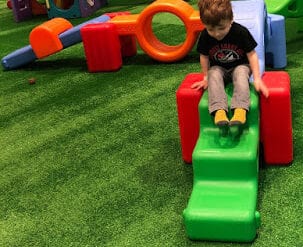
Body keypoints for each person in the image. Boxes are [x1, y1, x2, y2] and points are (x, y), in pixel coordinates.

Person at [191, 0, 269, 126]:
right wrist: (205, 77)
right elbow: (204, 56)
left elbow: (252, 54)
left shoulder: (240, 32)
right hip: (219, 68)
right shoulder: (205, 35)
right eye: (211, 29)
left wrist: (257, 78)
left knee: (240, 72)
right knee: (213, 73)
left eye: (221, 28)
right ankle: (219, 111)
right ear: (204, 24)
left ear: (231, 20)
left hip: (240, 65)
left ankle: (240, 110)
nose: (216, 33)